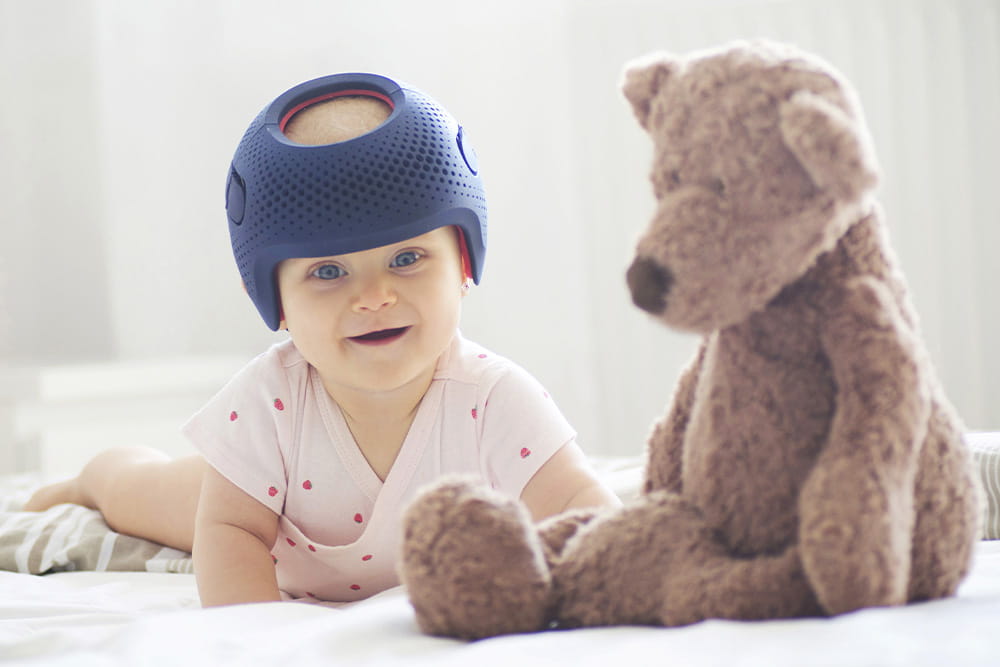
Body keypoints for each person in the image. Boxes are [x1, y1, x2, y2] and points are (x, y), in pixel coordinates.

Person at [24, 73, 621, 606]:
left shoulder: (495, 398)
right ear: (273, 300)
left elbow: (579, 504)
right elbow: (231, 534)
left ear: (463, 263)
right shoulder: (271, 400)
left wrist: (626, 568)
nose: (373, 297)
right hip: (271, 521)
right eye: (328, 272)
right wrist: (256, 634)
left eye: (407, 257)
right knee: (141, 493)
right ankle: (95, 476)